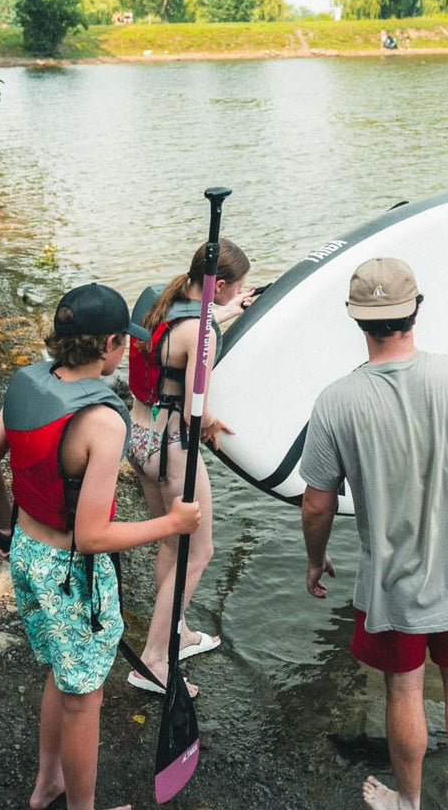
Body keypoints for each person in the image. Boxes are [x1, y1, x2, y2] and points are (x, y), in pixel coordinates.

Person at [299, 258, 448, 810]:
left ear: (356, 319)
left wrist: (315, 558)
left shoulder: (336, 401)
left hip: (394, 584)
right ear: (416, 310)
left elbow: (316, 503)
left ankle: (408, 802)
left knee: (403, 688)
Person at [0, 282, 201, 810]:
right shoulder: (100, 420)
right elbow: (93, 536)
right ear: (109, 344)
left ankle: (48, 784)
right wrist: (172, 522)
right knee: (84, 698)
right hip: (71, 575)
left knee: (64, 672)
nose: (126, 351)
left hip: (28, 552)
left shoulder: (28, 382)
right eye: (124, 341)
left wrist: (7, 528)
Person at [124, 238, 253, 696]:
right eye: (235, 286)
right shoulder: (201, 334)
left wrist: (232, 308)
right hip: (172, 449)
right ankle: (153, 661)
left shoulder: (162, 302)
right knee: (199, 553)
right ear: (220, 284)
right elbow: (198, 406)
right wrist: (213, 424)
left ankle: (175, 632)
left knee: (172, 544)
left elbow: (181, 343)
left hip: (138, 437)